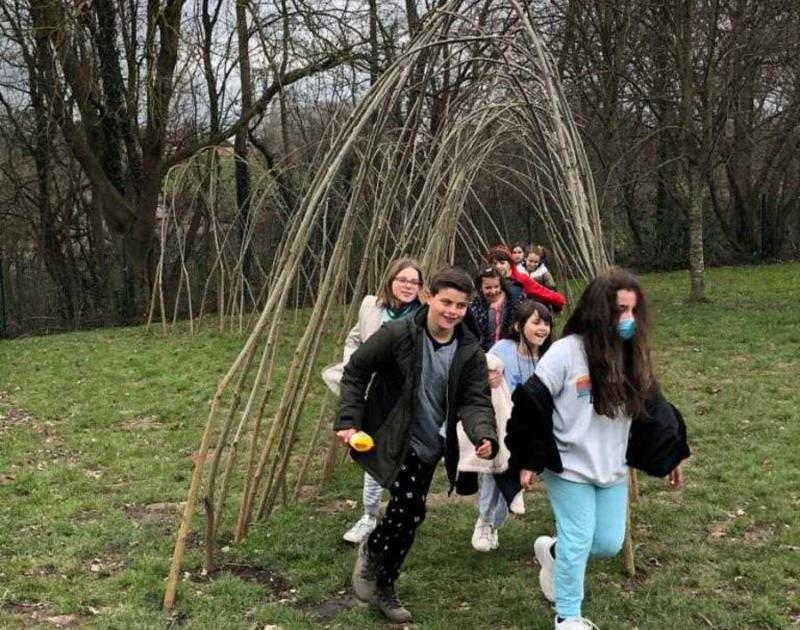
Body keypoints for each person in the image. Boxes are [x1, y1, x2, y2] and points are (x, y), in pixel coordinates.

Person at [505, 267, 690, 630]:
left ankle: (552, 552)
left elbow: (656, 408)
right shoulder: (564, 353)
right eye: (620, 310)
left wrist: (674, 452)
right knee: (578, 539)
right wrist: (528, 459)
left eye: (633, 311)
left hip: (612, 466)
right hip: (568, 464)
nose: (628, 319)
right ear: (599, 310)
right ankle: (568, 615)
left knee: (606, 543)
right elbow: (530, 404)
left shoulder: (632, 355)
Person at [334, 266, 498, 623]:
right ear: (429, 298)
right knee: (409, 506)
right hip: (394, 434)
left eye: (461, 305)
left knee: (409, 516)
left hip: (432, 442)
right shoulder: (398, 334)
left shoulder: (469, 351)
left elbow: (475, 399)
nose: (452, 312)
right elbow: (356, 370)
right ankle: (382, 576)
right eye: (446, 302)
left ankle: (378, 566)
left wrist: (484, 434)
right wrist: (348, 420)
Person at [321, 258, 423, 544]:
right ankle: (368, 515)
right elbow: (354, 339)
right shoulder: (371, 307)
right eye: (402, 280)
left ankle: (402, 511)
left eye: (414, 282)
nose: (407, 286)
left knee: (407, 453)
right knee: (374, 449)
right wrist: (356, 364)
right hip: (373, 393)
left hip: (404, 396)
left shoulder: (423, 316)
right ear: (391, 281)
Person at [471, 300, 553, 552]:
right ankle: (484, 521)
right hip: (502, 422)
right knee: (494, 471)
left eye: (547, 323)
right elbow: (481, 373)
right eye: (536, 322)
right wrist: (489, 377)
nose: (543, 329)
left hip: (533, 429)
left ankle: (494, 521)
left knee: (515, 478)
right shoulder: (503, 349)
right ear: (518, 325)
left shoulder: (550, 357)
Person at [487, 245, 565, 311]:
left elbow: (542, 292)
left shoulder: (520, 279)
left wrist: (558, 300)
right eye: (494, 264)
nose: (498, 266)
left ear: (509, 263)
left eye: (502, 263)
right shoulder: (487, 281)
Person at [469, 267, 524, 352]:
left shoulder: (515, 300)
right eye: (488, 288)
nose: (493, 291)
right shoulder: (476, 305)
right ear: (480, 288)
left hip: (510, 350)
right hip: (484, 352)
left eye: (496, 286)